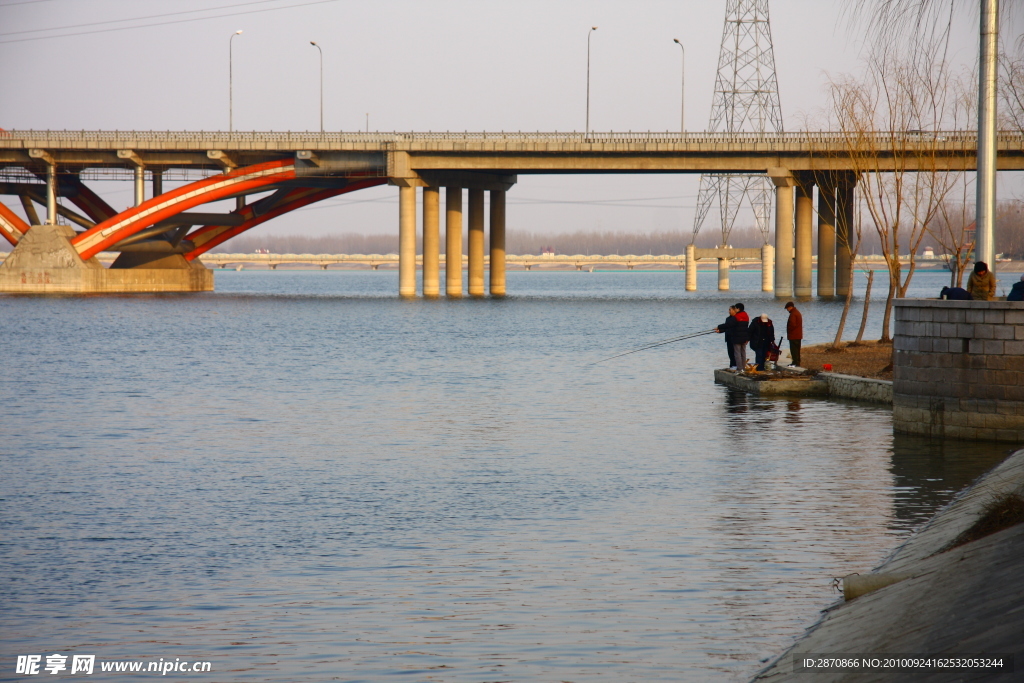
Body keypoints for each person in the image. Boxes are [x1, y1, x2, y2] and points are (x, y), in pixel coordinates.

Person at [715, 303, 750, 371]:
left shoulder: (736, 317)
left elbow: (728, 325)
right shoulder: (746, 316)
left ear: (738, 309)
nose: (729, 311)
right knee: (742, 353)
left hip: (736, 338)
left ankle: (739, 368)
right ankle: (742, 368)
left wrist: (718, 327)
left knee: (737, 354)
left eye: (735, 308)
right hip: (743, 337)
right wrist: (720, 330)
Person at [784, 302, 803, 367]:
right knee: (797, 349)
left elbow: (792, 325)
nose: (787, 310)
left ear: (790, 307)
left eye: (787, 308)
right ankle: (797, 362)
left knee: (794, 350)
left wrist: (788, 331)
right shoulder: (797, 312)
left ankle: (795, 362)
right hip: (798, 335)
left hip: (793, 335)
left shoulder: (793, 314)